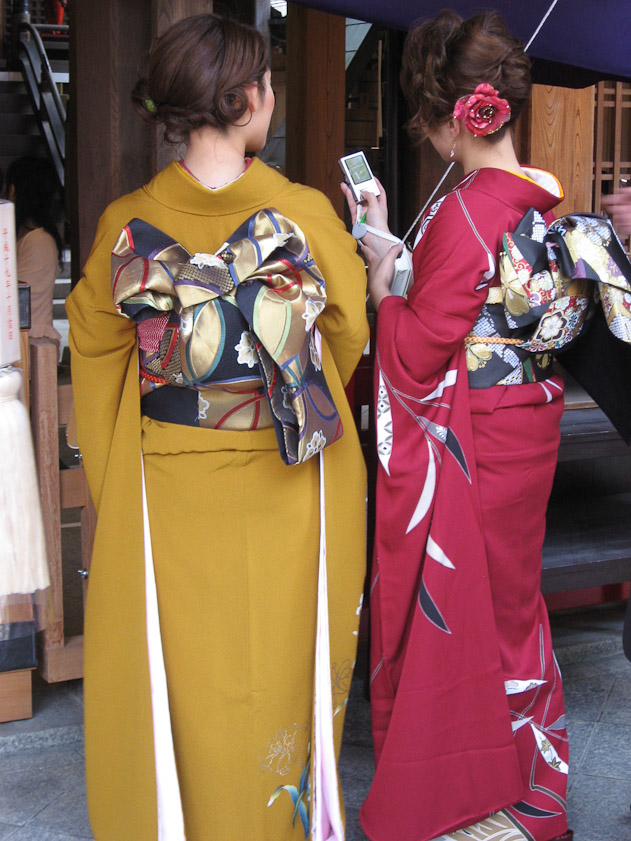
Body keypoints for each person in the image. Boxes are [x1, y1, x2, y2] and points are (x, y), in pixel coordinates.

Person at [66, 14, 368, 841]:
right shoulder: (301, 214)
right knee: (273, 670)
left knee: (177, 677)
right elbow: (345, 333)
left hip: (167, 477)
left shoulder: (128, 221)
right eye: (267, 85)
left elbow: (92, 348)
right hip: (282, 480)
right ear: (248, 101)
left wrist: (114, 472)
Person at [342, 10, 573, 841]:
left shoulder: (466, 213)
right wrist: (412, 276)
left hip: (476, 439)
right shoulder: (538, 194)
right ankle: (530, 772)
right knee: (510, 606)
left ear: (450, 118)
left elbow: (410, 356)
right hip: (526, 426)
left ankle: (493, 794)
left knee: (471, 615)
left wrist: (380, 283)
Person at [6, 156, 63, 352]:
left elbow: (16, 302)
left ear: (12, 190)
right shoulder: (28, 238)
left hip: (30, 344)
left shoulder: (38, 240)